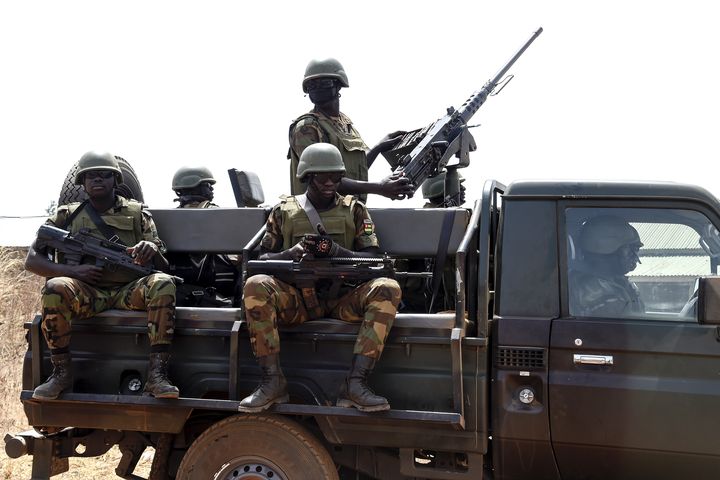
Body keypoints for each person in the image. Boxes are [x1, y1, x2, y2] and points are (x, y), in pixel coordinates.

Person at [240, 143, 402, 413]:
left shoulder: (354, 210)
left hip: (343, 301)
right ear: (307, 176)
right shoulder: (283, 211)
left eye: (336, 176)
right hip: (297, 303)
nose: (330, 182)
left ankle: (356, 383)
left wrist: (337, 252)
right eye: (322, 176)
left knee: (387, 288)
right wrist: (292, 254)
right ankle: (272, 382)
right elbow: (260, 261)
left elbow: (372, 258)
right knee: (255, 286)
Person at [25, 151, 180, 400]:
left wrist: (150, 249)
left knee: (162, 283)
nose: (97, 179)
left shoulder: (137, 213)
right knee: (55, 287)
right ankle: (61, 373)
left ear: (116, 180)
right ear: (82, 183)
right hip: (87, 293)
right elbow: (32, 260)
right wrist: (72, 271)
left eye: (105, 174)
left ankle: (157, 375)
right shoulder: (67, 215)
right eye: (91, 176)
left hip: (128, 292)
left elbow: (163, 263)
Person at [288, 57, 414, 203]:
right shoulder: (306, 127)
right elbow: (324, 180)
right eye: (311, 84)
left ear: (338, 85)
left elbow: (354, 171)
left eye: (324, 83)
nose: (317, 88)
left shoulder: (345, 125)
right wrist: (379, 187)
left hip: (349, 215)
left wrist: (378, 148)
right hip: (316, 217)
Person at [169, 167, 238, 304]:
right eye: (207, 185)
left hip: (178, 293)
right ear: (194, 187)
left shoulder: (169, 218)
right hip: (217, 291)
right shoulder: (218, 214)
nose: (211, 190)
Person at [569, 215, 645, 317]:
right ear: (606, 249)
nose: (635, 256)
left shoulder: (616, 283)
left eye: (636, 249)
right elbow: (625, 330)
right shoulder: (594, 291)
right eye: (630, 249)